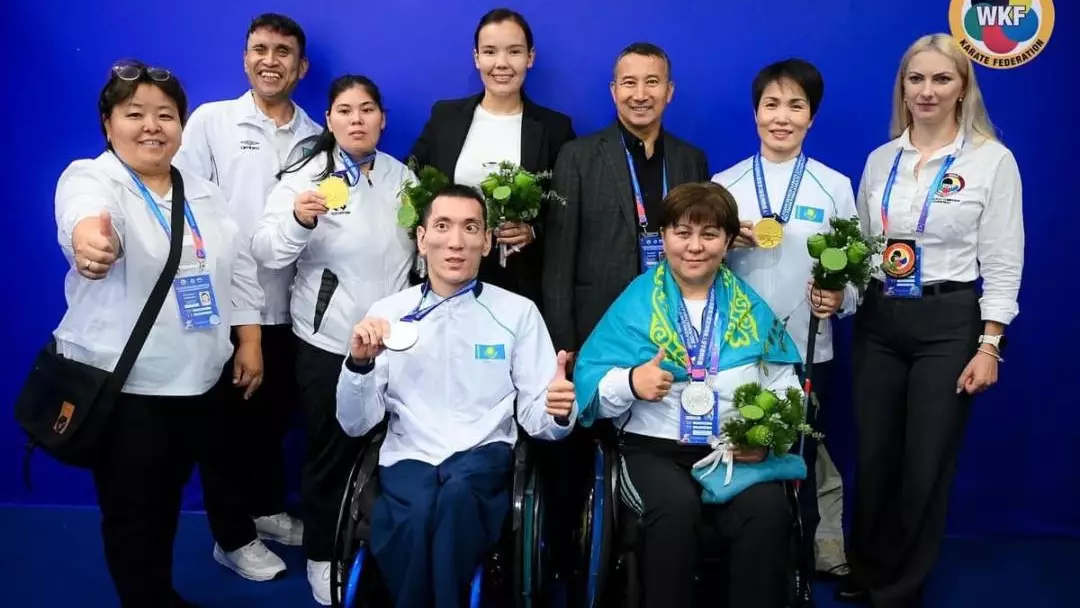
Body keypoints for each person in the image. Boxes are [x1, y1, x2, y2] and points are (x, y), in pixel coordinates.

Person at [54, 60, 264, 607]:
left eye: (166, 115)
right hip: (130, 388)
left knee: (167, 501)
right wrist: (89, 241)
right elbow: (85, 215)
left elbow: (237, 268)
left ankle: (156, 592)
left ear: (181, 125)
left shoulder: (202, 191)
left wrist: (249, 340)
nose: (152, 126)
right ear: (108, 123)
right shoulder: (94, 178)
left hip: (200, 379)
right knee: (134, 511)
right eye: (135, 114)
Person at [336, 184, 578, 608]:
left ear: (486, 241)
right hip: (409, 454)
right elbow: (355, 422)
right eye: (443, 226)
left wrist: (558, 413)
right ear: (421, 238)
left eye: (470, 228)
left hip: (482, 455)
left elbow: (540, 419)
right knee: (413, 517)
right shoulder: (388, 313)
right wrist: (359, 365)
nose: (456, 241)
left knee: (456, 502)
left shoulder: (517, 313)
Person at [848, 34, 1024, 608]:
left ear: (962, 88)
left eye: (940, 79)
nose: (926, 91)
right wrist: (840, 294)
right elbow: (862, 248)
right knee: (873, 457)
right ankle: (869, 568)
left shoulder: (991, 160)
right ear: (903, 87)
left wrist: (989, 343)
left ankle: (898, 590)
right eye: (916, 79)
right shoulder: (881, 160)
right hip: (880, 316)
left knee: (926, 461)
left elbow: (1002, 256)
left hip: (949, 320)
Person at [572, 182, 801, 608]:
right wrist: (631, 382)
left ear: (729, 241)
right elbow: (590, 393)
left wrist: (766, 436)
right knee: (674, 513)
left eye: (710, 234)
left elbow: (786, 388)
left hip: (734, 452)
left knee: (768, 513)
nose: (695, 247)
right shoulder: (633, 306)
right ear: (663, 238)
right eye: (682, 232)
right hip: (653, 450)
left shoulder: (751, 308)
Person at [250, 73, 416, 605]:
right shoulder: (305, 177)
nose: (357, 119)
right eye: (345, 111)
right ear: (329, 120)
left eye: (368, 109)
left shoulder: (402, 176)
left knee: (391, 452)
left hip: (394, 343)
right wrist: (299, 219)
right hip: (328, 342)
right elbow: (266, 251)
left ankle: (374, 546)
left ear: (382, 118)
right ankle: (323, 558)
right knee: (331, 455)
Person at [174, 12, 321, 581]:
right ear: (244, 57)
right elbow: (184, 210)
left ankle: (264, 511)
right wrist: (227, 314)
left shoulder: (314, 134)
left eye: (283, 51)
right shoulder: (211, 122)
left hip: (287, 307)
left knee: (270, 420)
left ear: (300, 67)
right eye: (260, 48)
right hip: (218, 307)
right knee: (224, 427)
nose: (270, 60)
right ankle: (230, 536)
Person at [711, 58, 856, 590]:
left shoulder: (834, 186)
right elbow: (694, 268)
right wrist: (725, 243)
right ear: (755, 113)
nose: (782, 116)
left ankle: (795, 575)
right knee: (737, 459)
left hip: (806, 352)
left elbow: (857, 275)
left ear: (811, 117)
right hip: (732, 355)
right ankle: (737, 571)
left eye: (796, 105)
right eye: (772, 104)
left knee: (798, 465)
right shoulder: (723, 184)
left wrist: (838, 296)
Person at [543, 41, 710, 357]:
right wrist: (564, 346)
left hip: (675, 326)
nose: (640, 95)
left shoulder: (691, 160)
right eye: (629, 83)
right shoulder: (578, 156)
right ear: (613, 90)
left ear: (669, 90)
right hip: (598, 328)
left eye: (652, 82)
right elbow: (558, 263)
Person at [408, 7, 575, 308]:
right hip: (448, 274)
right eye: (490, 52)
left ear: (530, 57)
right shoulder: (445, 117)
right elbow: (412, 179)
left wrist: (533, 231)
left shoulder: (554, 128)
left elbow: (567, 207)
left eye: (514, 51)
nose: (501, 63)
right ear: (476, 59)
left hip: (518, 282)